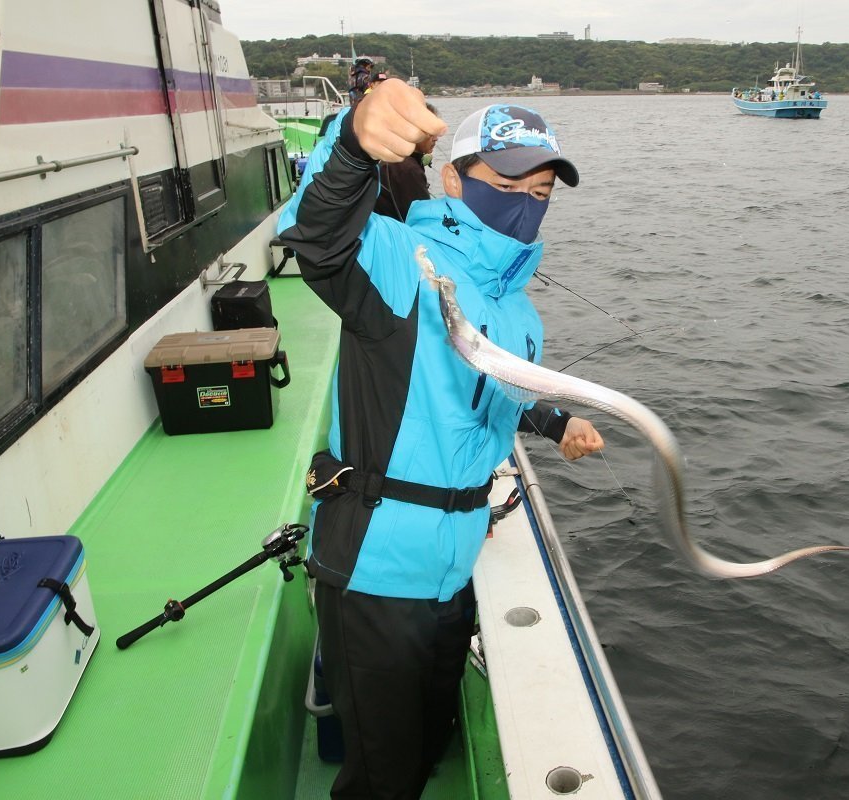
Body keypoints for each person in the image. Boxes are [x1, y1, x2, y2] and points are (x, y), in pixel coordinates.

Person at [276, 82, 605, 798]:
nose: (528, 200)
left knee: (429, 744)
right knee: (382, 779)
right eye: (508, 180)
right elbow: (317, 234)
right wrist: (354, 139)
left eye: (543, 188)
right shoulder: (400, 258)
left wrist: (554, 420)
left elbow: (496, 390)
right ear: (452, 177)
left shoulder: (518, 309)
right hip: (376, 572)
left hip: (453, 573)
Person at [373, 101, 439, 221]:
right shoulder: (407, 169)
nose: (436, 138)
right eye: (430, 131)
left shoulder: (394, 158)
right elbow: (424, 219)